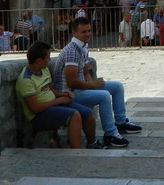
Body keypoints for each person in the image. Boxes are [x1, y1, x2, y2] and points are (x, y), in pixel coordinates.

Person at [51, 17, 142, 148]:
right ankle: (110, 134)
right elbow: (72, 82)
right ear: (74, 33)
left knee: (117, 87)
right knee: (104, 96)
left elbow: (86, 73)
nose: (88, 34)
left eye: (89, 30)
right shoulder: (71, 51)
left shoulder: (83, 47)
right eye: (83, 32)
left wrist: (92, 86)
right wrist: (93, 85)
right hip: (68, 94)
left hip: (80, 89)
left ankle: (121, 122)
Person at [15, 40, 102, 149]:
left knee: (88, 114)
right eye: (47, 58)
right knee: (74, 115)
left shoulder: (44, 70)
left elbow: (49, 89)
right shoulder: (26, 80)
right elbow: (35, 109)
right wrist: (58, 101)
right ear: (39, 61)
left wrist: (61, 94)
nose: (49, 60)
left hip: (54, 104)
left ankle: (91, 143)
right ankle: (76, 151)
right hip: (39, 115)